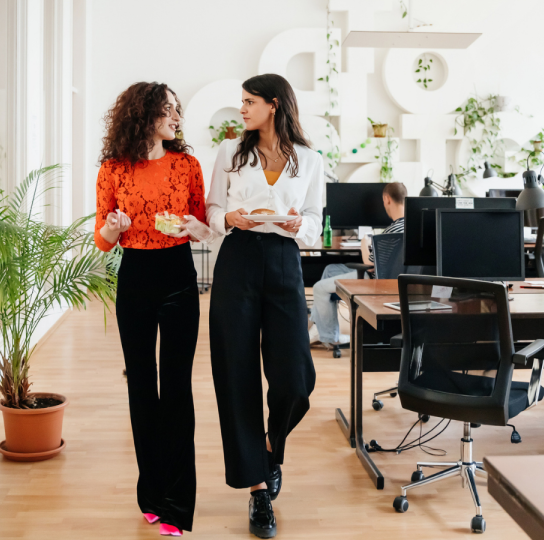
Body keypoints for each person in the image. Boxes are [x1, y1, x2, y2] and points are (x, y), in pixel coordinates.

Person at [205, 73, 320, 539]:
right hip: (237, 260)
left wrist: (297, 226)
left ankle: (272, 446)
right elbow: (212, 211)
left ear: (274, 105)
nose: (243, 110)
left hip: (283, 259)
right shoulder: (230, 153)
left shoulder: (309, 160)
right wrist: (228, 217)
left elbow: (314, 219)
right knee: (236, 374)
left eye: (249, 102)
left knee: (296, 379)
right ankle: (258, 491)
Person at [94, 81, 206, 537]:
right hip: (135, 278)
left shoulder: (188, 166)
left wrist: (192, 225)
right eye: (168, 110)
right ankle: (151, 494)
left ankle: (179, 505)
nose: (176, 118)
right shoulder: (112, 169)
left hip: (179, 275)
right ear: (143, 116)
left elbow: (202, 229)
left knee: (177, 389)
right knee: (142, 387)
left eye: (177, 110)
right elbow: (102, 243)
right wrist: (113, 226)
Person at [308, 182, 406, 346]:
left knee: (318, 287)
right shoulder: (409, 227)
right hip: (396, 281)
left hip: (375, 281)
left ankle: (331, 338)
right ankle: (322, 327)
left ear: (387, 199)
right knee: (330, 270)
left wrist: (364, 245)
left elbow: (370, 264)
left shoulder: (390, 232)